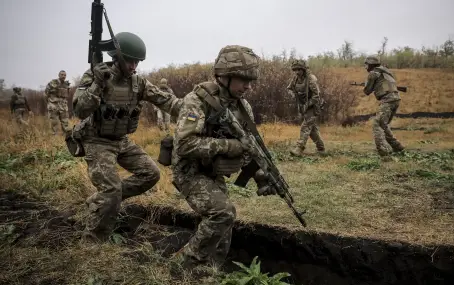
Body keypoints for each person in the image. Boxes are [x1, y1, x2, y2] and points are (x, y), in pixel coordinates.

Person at [170, 45, 277, 269]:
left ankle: (209, 271)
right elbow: (185, 145)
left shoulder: (243, 107)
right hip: (189, 172)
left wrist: (260, 173)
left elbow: (248, 145)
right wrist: (231, 146)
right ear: (224, 76)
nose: (248, 86)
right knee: (222, 213)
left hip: (213, 172)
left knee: (224, 225)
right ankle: (182, 266)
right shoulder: (196, 101)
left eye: (251, 80)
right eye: (242, 79)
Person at [72, 32, 182, 242]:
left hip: (121, 140)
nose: (133, 66)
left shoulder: (138, 83)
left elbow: (167, 101)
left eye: (137, 62)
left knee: (151, 174)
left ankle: (101, 200)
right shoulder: (94, 75)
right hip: (96, 140)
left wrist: (194, 111)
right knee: (112, 190)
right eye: (130, 61)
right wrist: (97, 83)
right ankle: (93, 241)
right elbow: (80, 110)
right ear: (116, 57)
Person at [362, 55, 404, 156]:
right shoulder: (386, 72)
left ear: (371, 64)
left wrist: (367, 84)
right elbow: (384, 85)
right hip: (396, 99)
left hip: (388, 100)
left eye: (366, 64)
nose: (365, 67)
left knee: (377, 124)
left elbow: (367, 91)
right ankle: (397, 146)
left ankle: (383, 151)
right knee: (384, 125)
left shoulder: (373, 73)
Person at [286, 59, 325, 156]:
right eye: (295, 70)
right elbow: (289, 89)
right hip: (303, 107)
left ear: (303, 69)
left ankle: (299, 148)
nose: (297, 72)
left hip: (313, 107)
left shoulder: (311, 79)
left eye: (299, 70)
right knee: (312, 130)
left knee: (305, 127)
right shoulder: (295, 79)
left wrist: (307, 105)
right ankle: (321, 149)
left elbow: (316, 96)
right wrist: (293, 94)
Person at [44, 70, 71, 135]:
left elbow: (67, 95)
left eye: (64, 75)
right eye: (62, 74)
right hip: (53, 104)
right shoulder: (52, 83)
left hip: (63, 105)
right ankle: (54, 135)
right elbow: (46, 94)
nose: (63, 76)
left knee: (65, 120)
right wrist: (49, 103)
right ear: (58, 75)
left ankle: (66, 135)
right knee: (54, 121)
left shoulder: (66, 84)